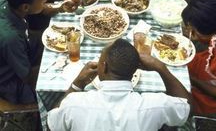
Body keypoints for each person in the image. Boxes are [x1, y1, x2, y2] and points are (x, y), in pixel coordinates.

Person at [47, 38, 191, 131]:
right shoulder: (157, 104)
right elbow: (188, 109)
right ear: (135, 69)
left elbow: (51, 125)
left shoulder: (74, 103)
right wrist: (161, 67)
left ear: (102, 67)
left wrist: (76, 84)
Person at [0, 0, 79, 104]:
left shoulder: (9, 1)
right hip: (11, 83)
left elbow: (40, 8)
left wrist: (61, 7)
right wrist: (60, 63)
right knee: (66, 84)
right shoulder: (10, 38)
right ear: (25, 7)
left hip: (23, 49)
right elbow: (28, 77)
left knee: (54, 39)